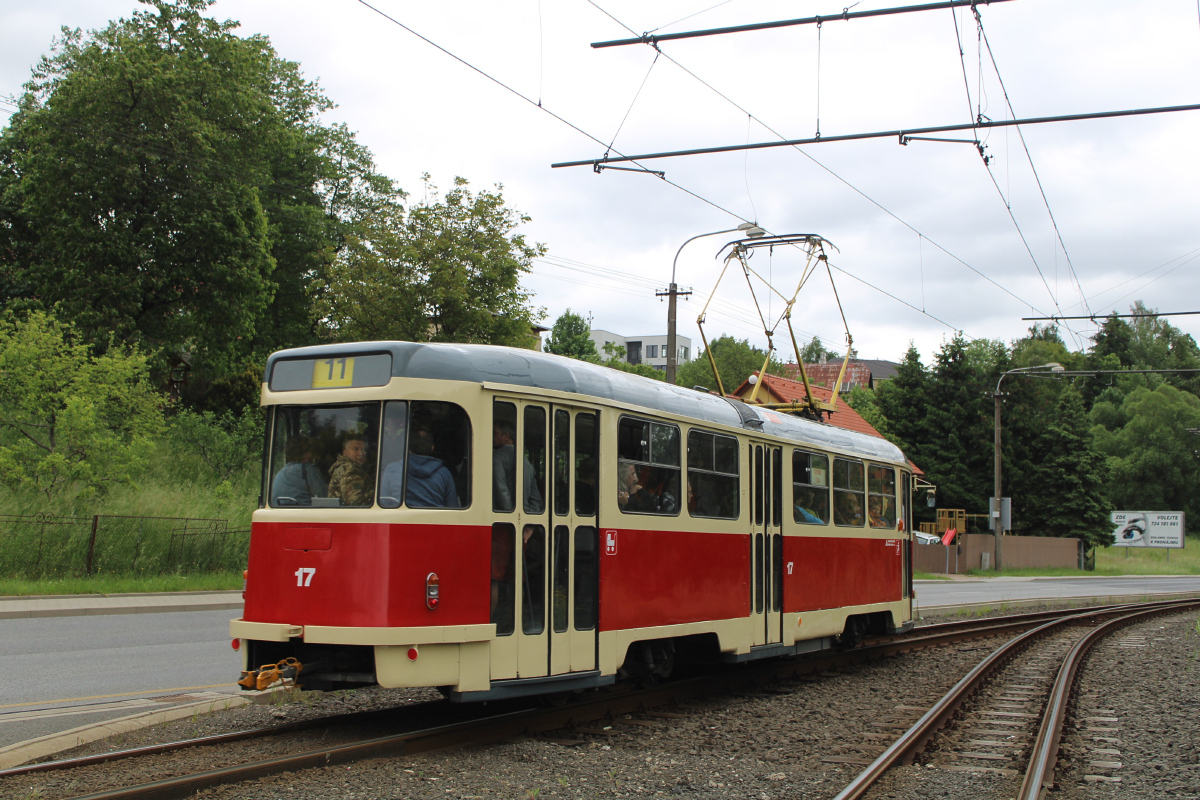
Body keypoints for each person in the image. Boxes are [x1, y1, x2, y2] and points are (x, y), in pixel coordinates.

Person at [492, 422, 542, 513]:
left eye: (494, 433)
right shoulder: (527, 462)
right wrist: (529, 524)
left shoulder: (496, 457)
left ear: (506, 436)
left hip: (503, 519)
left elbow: (500, 489)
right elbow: (535, 498)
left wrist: (510, 514)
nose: (492, 436)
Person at [405, 426, 460, 508]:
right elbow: (453, 507)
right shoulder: (444, 474)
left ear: (408, 448)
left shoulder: (393, 470)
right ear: (432, 448)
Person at [271, 437, 326, 505]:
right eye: (310, 451)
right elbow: (325, 496)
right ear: (305, 454)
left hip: (280, 513)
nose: (313, 455)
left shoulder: (281, 473)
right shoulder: (308, 469)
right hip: (304, 513)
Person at [328, 433, 373, 506]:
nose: (361, 453)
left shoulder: (347, 467)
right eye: (355, 449)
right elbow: (356, 502)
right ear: (345, 452)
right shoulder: (351, 470)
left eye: (363, 449)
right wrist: (376, 495)